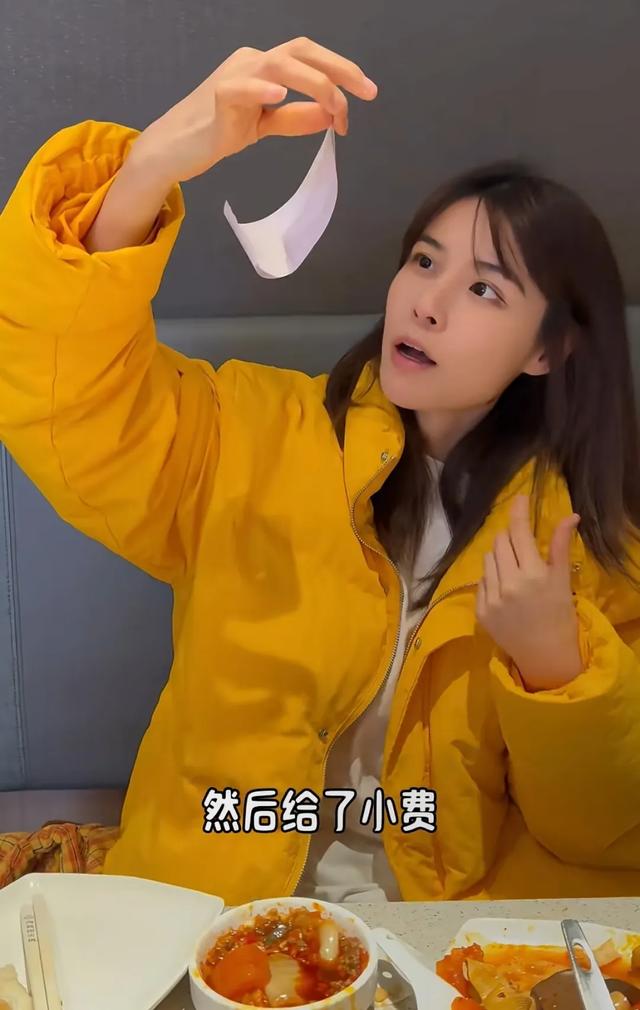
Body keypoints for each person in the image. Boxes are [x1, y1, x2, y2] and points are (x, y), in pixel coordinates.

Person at [1, 37, 640, 905]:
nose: (426, 303)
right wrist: (151, 165)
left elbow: (604, 833)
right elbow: (69, 398)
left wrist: (559, 670)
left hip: (440, 940)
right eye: (424, 261)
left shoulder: (593, 549)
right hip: (211, 916)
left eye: (485, 289)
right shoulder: (254, 434)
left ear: (548, 349)